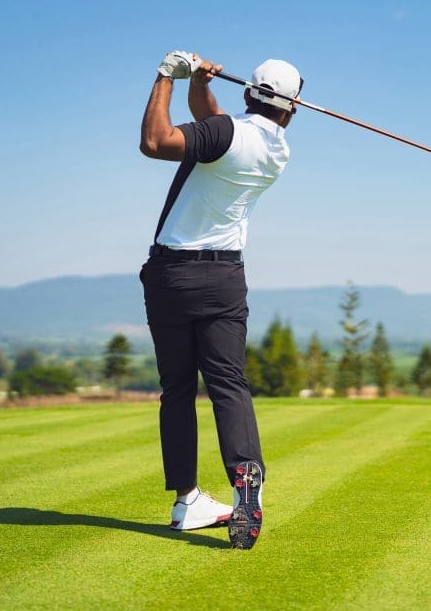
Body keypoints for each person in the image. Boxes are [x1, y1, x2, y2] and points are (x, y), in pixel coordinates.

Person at [138, 50, 302, 549]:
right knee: (229, 384)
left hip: (172, 274)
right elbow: (214, 126)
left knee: (178, 390)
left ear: (249, 92)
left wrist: (167, 76)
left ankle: (187, 498)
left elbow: (155, 142)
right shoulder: (277, 150)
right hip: (226, 277)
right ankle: (246, 480)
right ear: (291, 108)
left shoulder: (226, 133)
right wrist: (199, 84)